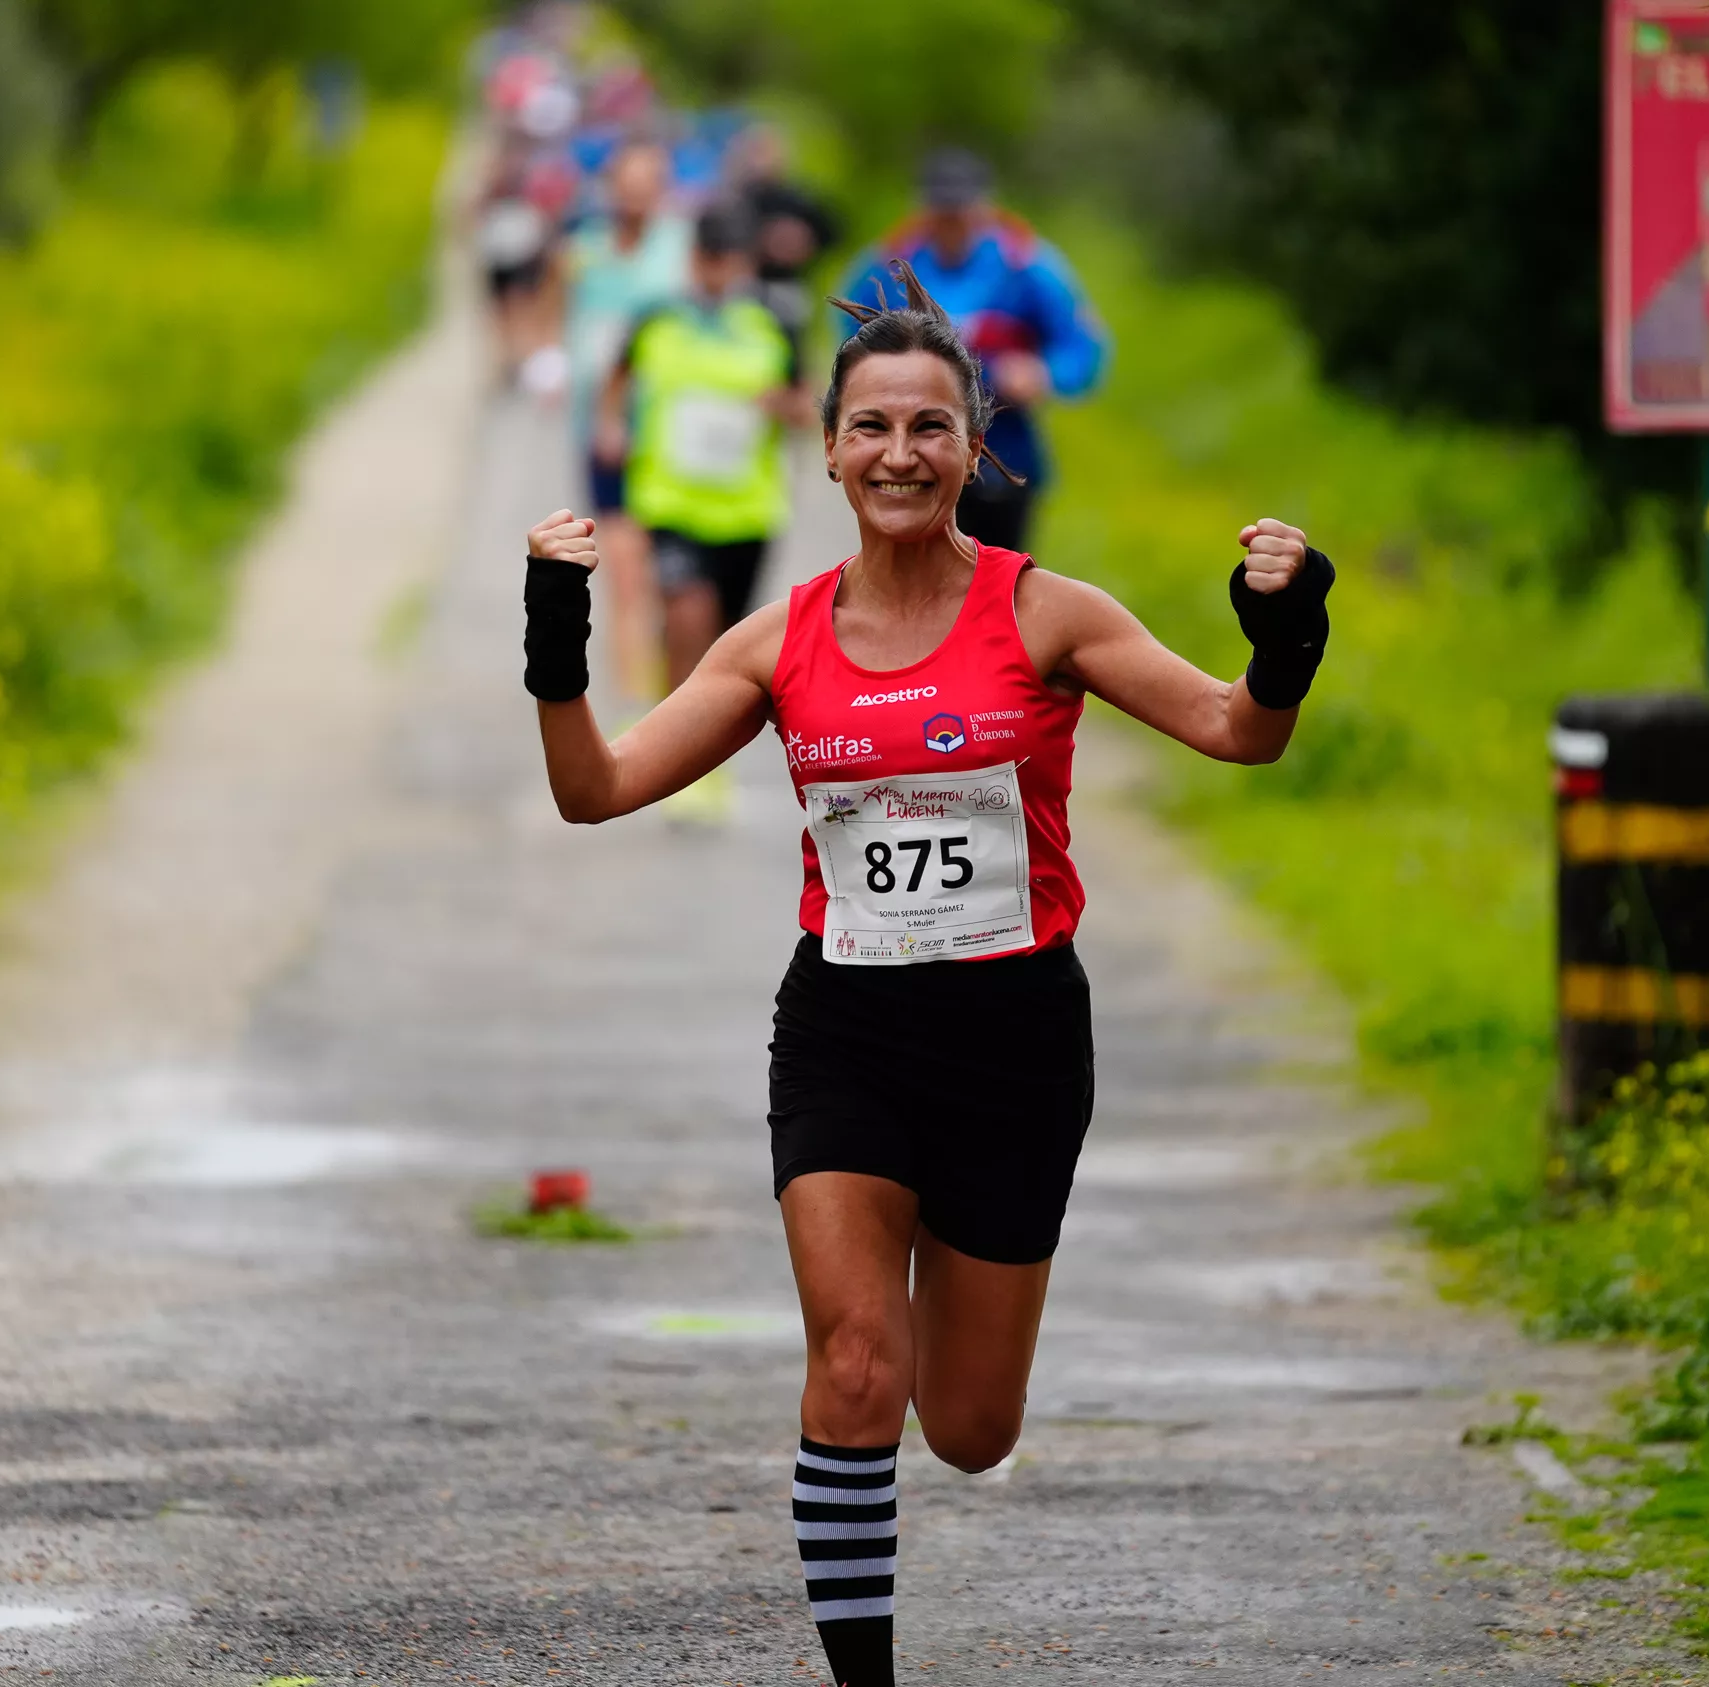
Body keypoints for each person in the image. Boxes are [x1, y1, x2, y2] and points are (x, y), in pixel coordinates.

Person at [517, 265, 1334, 1687]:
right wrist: (555, 640)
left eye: (930, 427)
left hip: (1015, 1038)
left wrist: (1288, 638)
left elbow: (1236, 731)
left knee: (965, 1424)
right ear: (827, 447)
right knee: (852, 1364)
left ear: (974, 450)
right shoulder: (777, 642)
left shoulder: (1048, 614)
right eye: (872, 425)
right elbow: (596, 788)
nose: (900, 451)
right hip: (844, 1027)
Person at [834, 150, 1107, 555]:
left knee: (994, 583)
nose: (950, 225)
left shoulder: (1026, 265)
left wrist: (1042, 374)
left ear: (984, 209)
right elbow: (848, 342)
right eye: (941, 213)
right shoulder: (888, 262)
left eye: (960, 213)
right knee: (912, 577)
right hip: (913, 454)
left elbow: (1084, 348)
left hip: (1003, 454)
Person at [599, 205, 808, 690]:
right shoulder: (656, 319)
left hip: (746, 511)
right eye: (709, 257)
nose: (718, 270)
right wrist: (610, 427)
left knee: (725, 640)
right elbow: (616, 377)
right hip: (670, 503)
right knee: (689, 616)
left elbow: (809, 404)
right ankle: (673, 750)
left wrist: (784, 405)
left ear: (745, 264)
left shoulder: (773, 323)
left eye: (729, 259)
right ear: (693, 258)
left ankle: (703, 742)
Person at [554, 136, 694, 695]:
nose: (636, 196)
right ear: (609, 187)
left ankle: (674, 688)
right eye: (626, 184)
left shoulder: (683, 250)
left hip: (671, 435)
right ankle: (637, 709)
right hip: (604, 431)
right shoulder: (584, 248)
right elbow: (558, 307)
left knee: (674, 580)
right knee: (622, 570)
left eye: (648, 185)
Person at [727, 123, 842, 350]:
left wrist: (803, 242)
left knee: (789, 342)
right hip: (746, 285)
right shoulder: (738, 200)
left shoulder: (797, 200)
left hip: (788, 286)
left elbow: (833, 233)